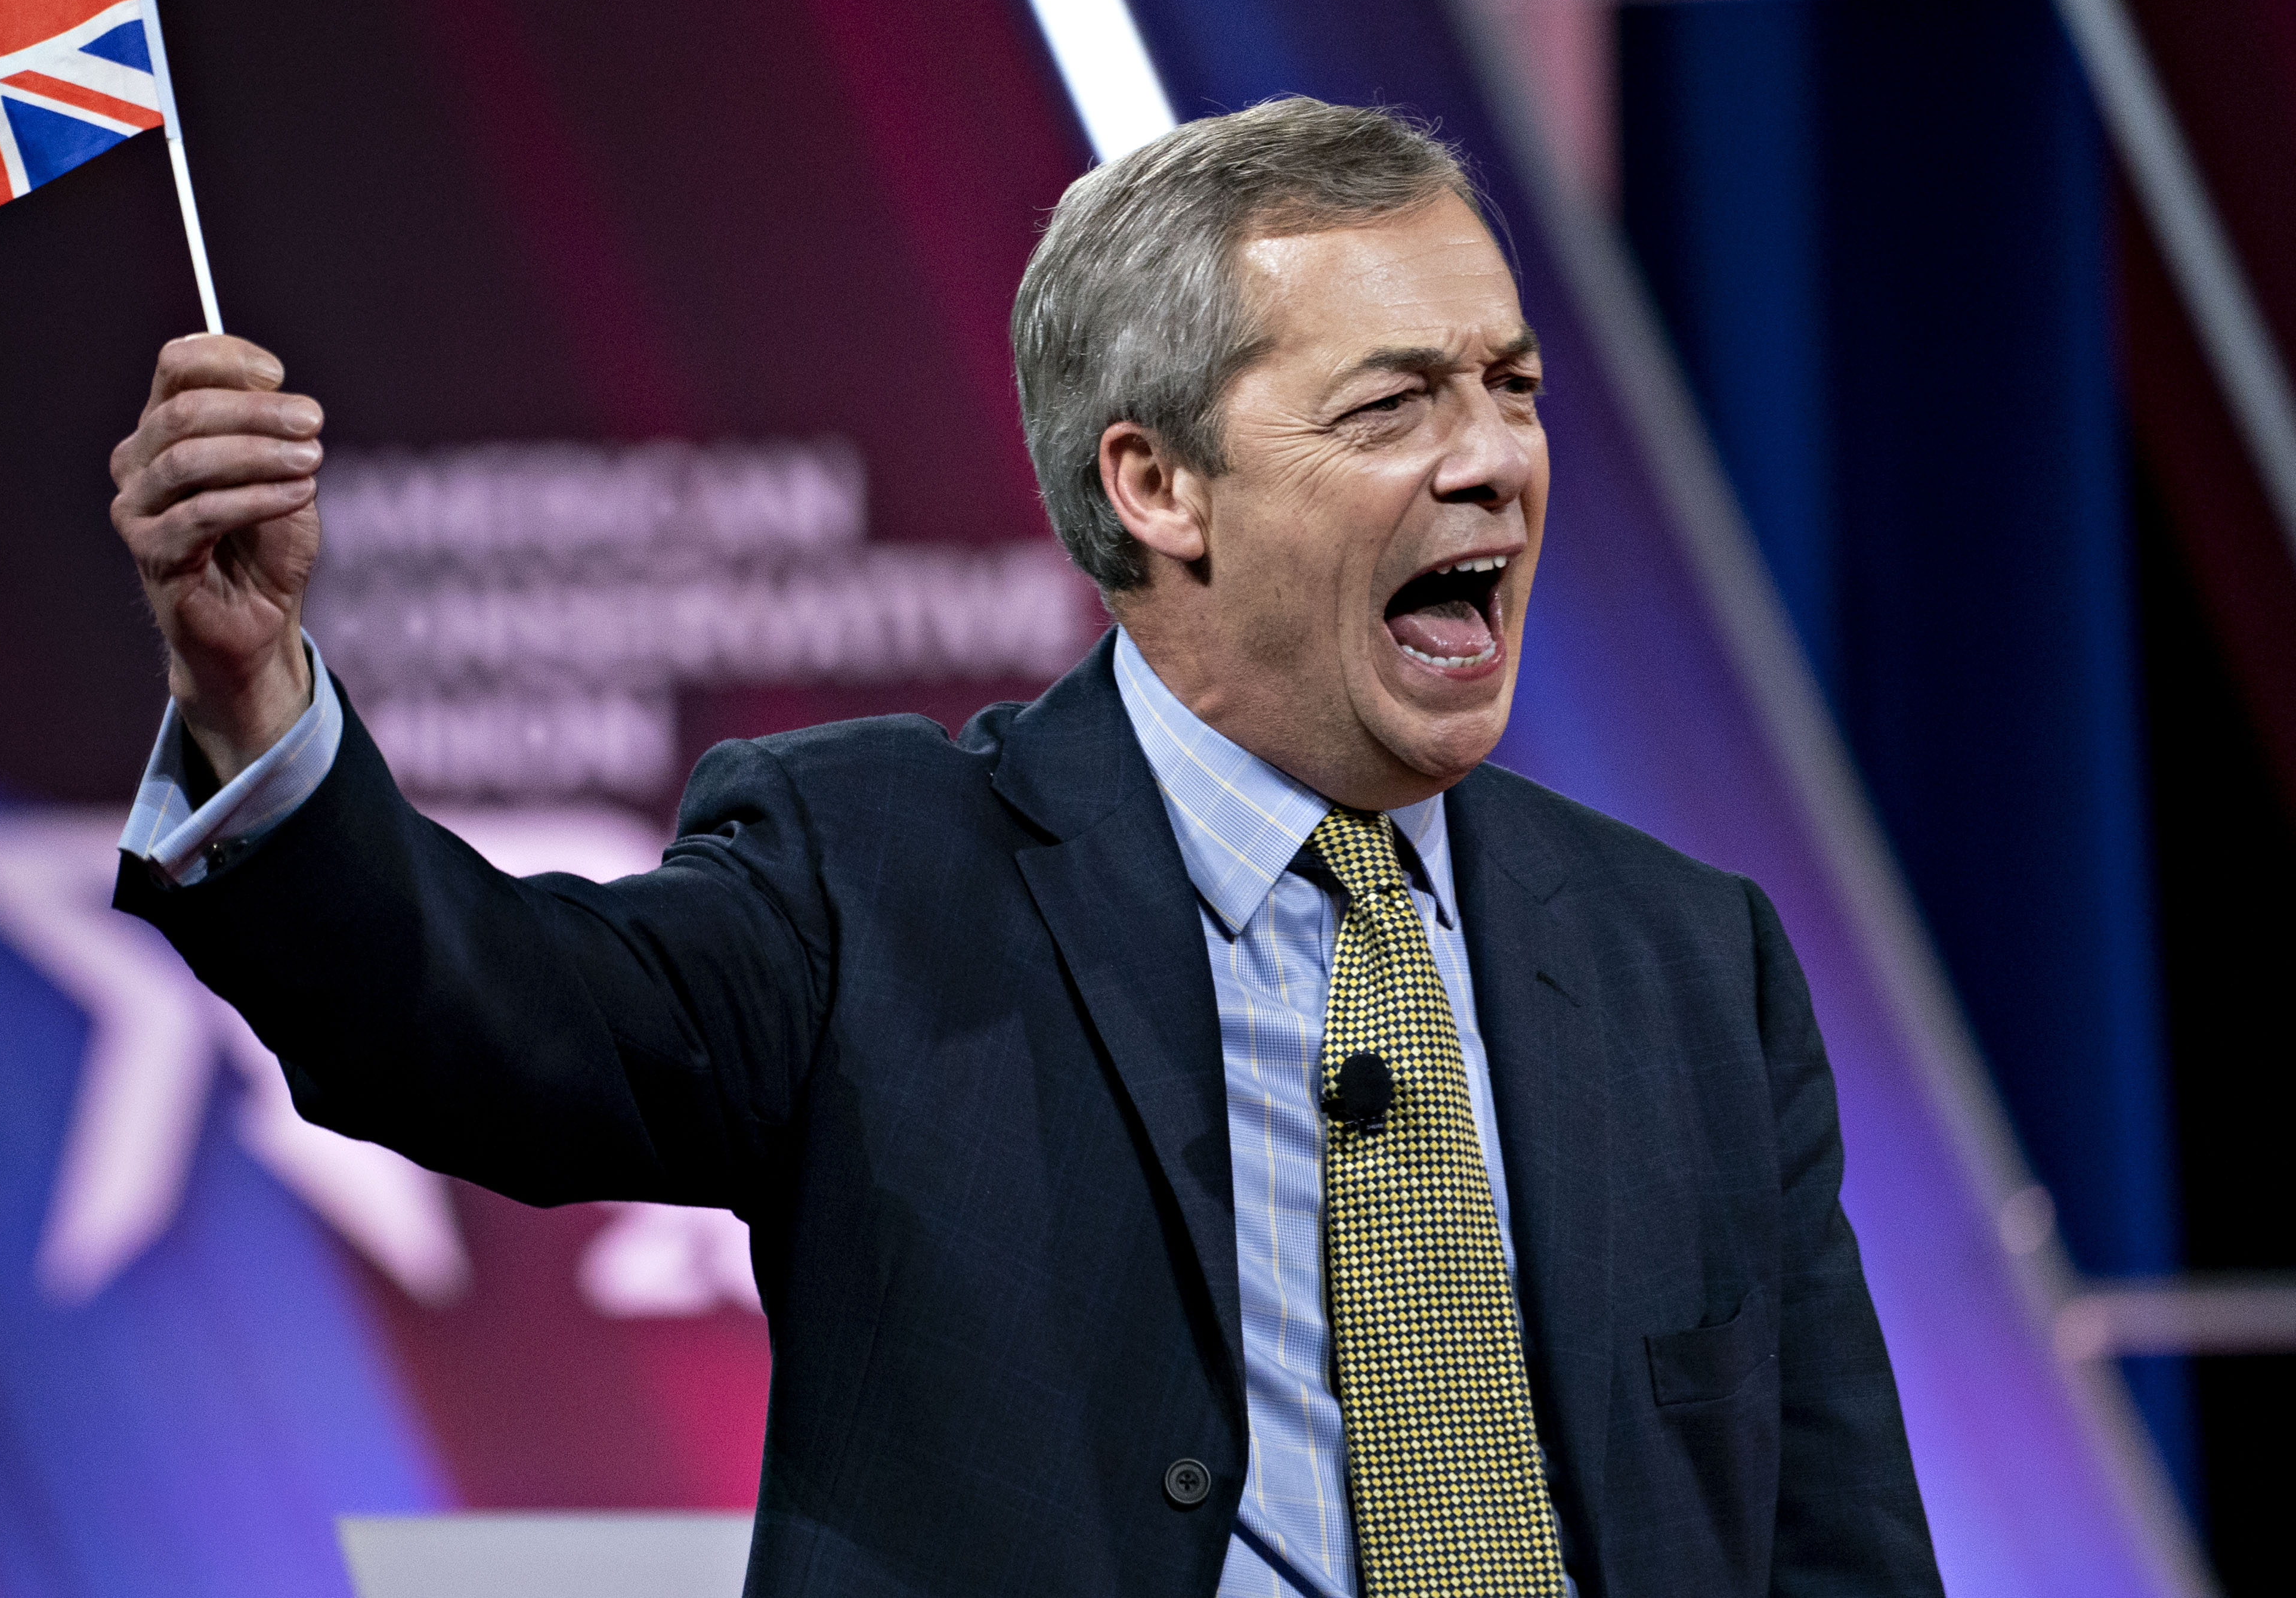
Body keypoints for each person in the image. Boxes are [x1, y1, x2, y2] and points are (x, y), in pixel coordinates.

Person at [104, 97, 1939, 1598]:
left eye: (1512, 388)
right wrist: (257, 701)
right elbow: (485, 1023)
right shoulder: (878, 871)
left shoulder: (1685, 959)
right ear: (1159, 488)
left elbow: (1833, 1549)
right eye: (1396, 405)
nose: (1495, 463)